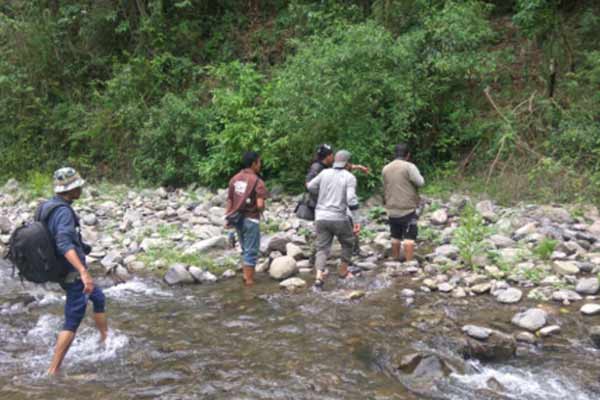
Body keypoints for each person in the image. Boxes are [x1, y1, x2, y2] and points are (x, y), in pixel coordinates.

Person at [46, 167, 107, 375]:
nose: (81, 187)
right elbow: (63, 243)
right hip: (72, 274)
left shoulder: (50, 205)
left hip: (61, 269)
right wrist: (83, 271)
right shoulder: (63, 213)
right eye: (78, 185)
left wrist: (84, 248)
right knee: (72, 320)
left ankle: (104, 339)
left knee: (98, 297)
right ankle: (53, 370)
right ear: (70, 189)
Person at [307, 150, 361, 287]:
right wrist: (356, 221)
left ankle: (319, 277)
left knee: (322, 248)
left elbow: (310, 186)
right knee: (348, 242)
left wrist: (322, 194)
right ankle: (343, 271)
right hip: (339, 218)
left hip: (321, 217)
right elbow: (351, 199)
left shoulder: (324, 173)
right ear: (347, 162)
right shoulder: (349, 177)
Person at [305, 144, 368, 255]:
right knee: (343, 225)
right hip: (324, 204)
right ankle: (351, 251)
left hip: (329, 203)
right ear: (327, 156)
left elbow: (342, 168)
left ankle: (354, 249)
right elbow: (309, 185)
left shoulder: (327, 167)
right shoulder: (317, 168)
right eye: (332, 155)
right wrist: (325, 194)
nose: (333, 157)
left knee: (325, 231)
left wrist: (358, 167)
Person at [225, 151, 268, 286]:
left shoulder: (234, 179)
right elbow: (260, 204)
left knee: (245, 248)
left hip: (237, 219)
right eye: (259, 162)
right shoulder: (257, 181)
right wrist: (261, 209)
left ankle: (245, 276)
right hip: (251, 219)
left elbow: (230, 201)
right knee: (251, 251)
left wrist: (227, 218)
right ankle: (249, 282)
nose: (260, 165)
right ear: (254, 164)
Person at [382, 144, 425, 262]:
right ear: (408, 155)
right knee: (409, 237)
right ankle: (409, 264)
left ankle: (395, 260)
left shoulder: (385, 168)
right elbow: (420, 182)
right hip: (407, 207)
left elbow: (384, 186)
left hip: (391, 207)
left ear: (394, 154)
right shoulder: (409, 167)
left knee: (395, 235)